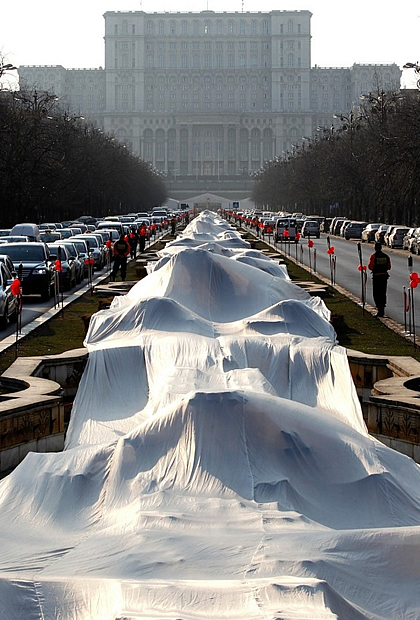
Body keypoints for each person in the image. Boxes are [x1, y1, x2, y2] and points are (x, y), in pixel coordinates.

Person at [368, 242, 391, 317]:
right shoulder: (386, 256)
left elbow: (371, 267)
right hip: (384, 277)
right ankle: (382, 309)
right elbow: (389, 267)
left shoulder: (373, 256)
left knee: (376, 294)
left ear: (375, 248)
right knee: (383, 293)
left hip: (376, 277)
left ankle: (379, 310)